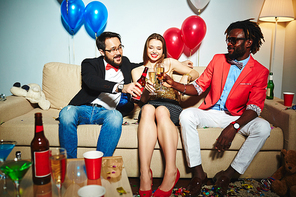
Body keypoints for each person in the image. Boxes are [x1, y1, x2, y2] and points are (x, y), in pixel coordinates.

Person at [162, 19, 271, 196]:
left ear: (249, 43)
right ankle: (198, 175)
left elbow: (254, 108)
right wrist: (173, 83)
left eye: (234, 40)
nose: (229, 43)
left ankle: (227, 176)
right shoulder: (218, 59)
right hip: (212, 112)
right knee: (186, 115)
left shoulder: (260, 71)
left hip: (237, 117)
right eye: (228, 39)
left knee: (264, 127)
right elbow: (198, 87)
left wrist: (233, 127)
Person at [131, 33, 199, 197]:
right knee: (147, 109)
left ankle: (170, 172)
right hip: (149, 105)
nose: (154, 51)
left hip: (170, 106)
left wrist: (183, 79)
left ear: (163, 51)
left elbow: (195, 73)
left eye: (158, 48)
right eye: (151, 47)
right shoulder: (137, 71)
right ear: (146, 49)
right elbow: (141, 101)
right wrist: (146, 91)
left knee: (161, 110)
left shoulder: (169, 63)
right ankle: (145, 174)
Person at [59, 31, 143, 158]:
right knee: (66, 113)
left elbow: (143, 66)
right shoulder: (89, 64)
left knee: (116, 117)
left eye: (120, 47)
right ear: (102, 52)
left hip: (107, 112)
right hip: (83, 108)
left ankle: (100, 165)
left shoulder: (125, 62)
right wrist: (121, 87)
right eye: (113, 49)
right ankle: (70, 165)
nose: (118, 52)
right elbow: (92, 82)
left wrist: (175, 63)